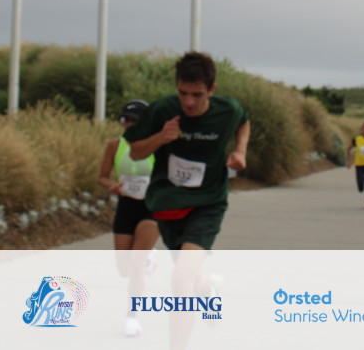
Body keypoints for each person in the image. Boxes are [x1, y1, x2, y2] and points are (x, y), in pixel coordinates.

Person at [123, 52, 251, 350]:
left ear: (212, 90)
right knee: (190, 277)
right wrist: (160, 138)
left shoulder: (227, 110)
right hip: (168, 205)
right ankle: (206, 288)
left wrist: (241, 151)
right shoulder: (163, 110)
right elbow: (135, 152)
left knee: (180, 280)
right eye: (183, 93)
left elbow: (244, 121)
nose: (189, 102)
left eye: (197, 94)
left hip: (207, 204)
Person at [99, 99, 158, 337]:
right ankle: (148, 258)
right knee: (124, 269)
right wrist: (111, 185)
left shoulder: (158, 146)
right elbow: (102, 177)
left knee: (135, 266)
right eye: (125, 120)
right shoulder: (115, 145)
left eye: (135, 121)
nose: (129, 124)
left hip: (151, 209)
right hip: (126, 208)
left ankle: (132, 317)